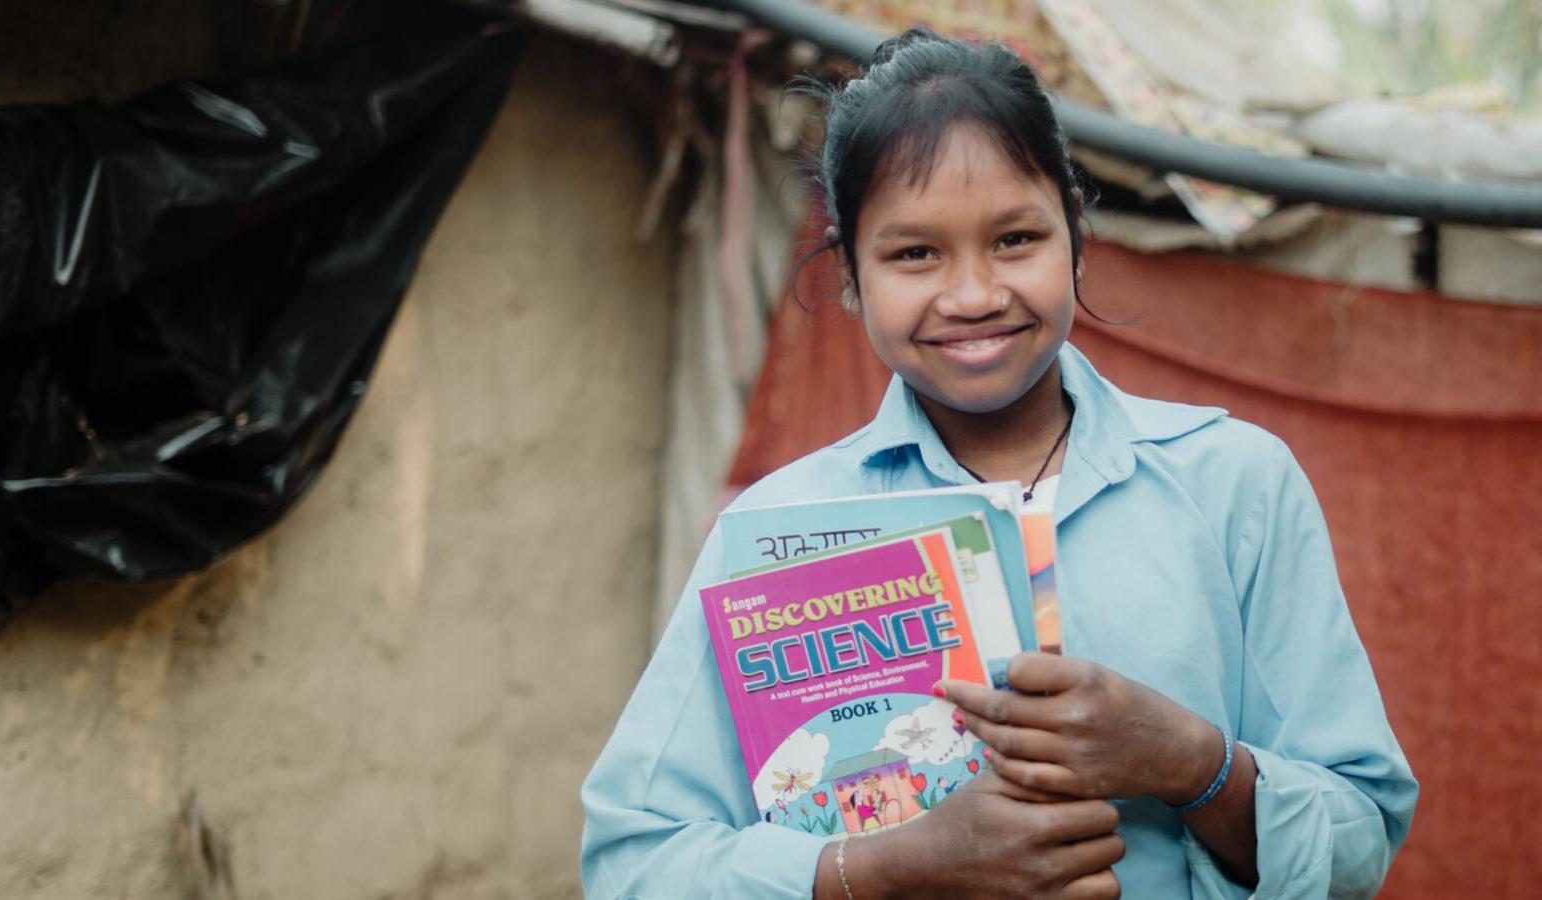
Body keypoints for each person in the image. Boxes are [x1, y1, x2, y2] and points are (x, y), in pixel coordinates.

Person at [581, 28, 1416, 900]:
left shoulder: (1234, 485)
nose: (975, 295)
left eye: (1016, 239)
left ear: (1076, 237)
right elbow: (632, 865)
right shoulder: (780, 536)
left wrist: (1192, 762)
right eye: (914, 253)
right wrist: (890, 868)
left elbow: (1361, 842)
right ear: (852, 279)